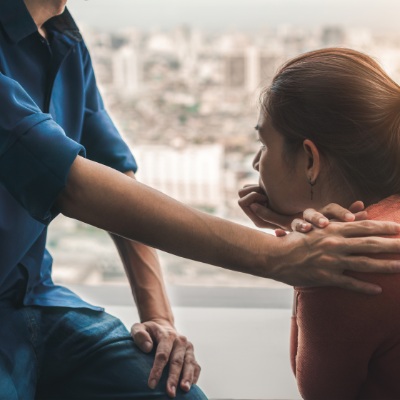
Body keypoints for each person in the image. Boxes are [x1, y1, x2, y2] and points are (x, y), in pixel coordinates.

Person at [1, 1, 400, 399]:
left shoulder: (63, 39)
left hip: (35, 298)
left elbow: (113, 173)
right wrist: (285, 257)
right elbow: (69, 181)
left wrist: (160, 320)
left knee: (175, 392)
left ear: (310, 159)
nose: (255, 161)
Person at [243, 47, 400, 399]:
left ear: (310, 160)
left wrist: (303, 263)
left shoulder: (345, 264)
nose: (255, 163)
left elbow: (318, 392)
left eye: (263, 144)